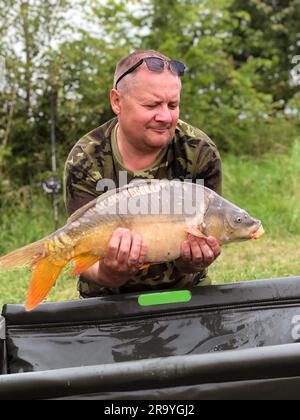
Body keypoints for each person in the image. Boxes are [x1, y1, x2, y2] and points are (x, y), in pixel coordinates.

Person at [64, 49, 222, 298]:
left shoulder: (199, 150)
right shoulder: (86, 157)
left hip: (183, 293)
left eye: (173, 104)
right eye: (151, 105)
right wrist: (110, 274)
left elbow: (207, 237)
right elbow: (77, 250)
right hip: (107, 298)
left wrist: (195, 260)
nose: (165, 116)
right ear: (117, 101)